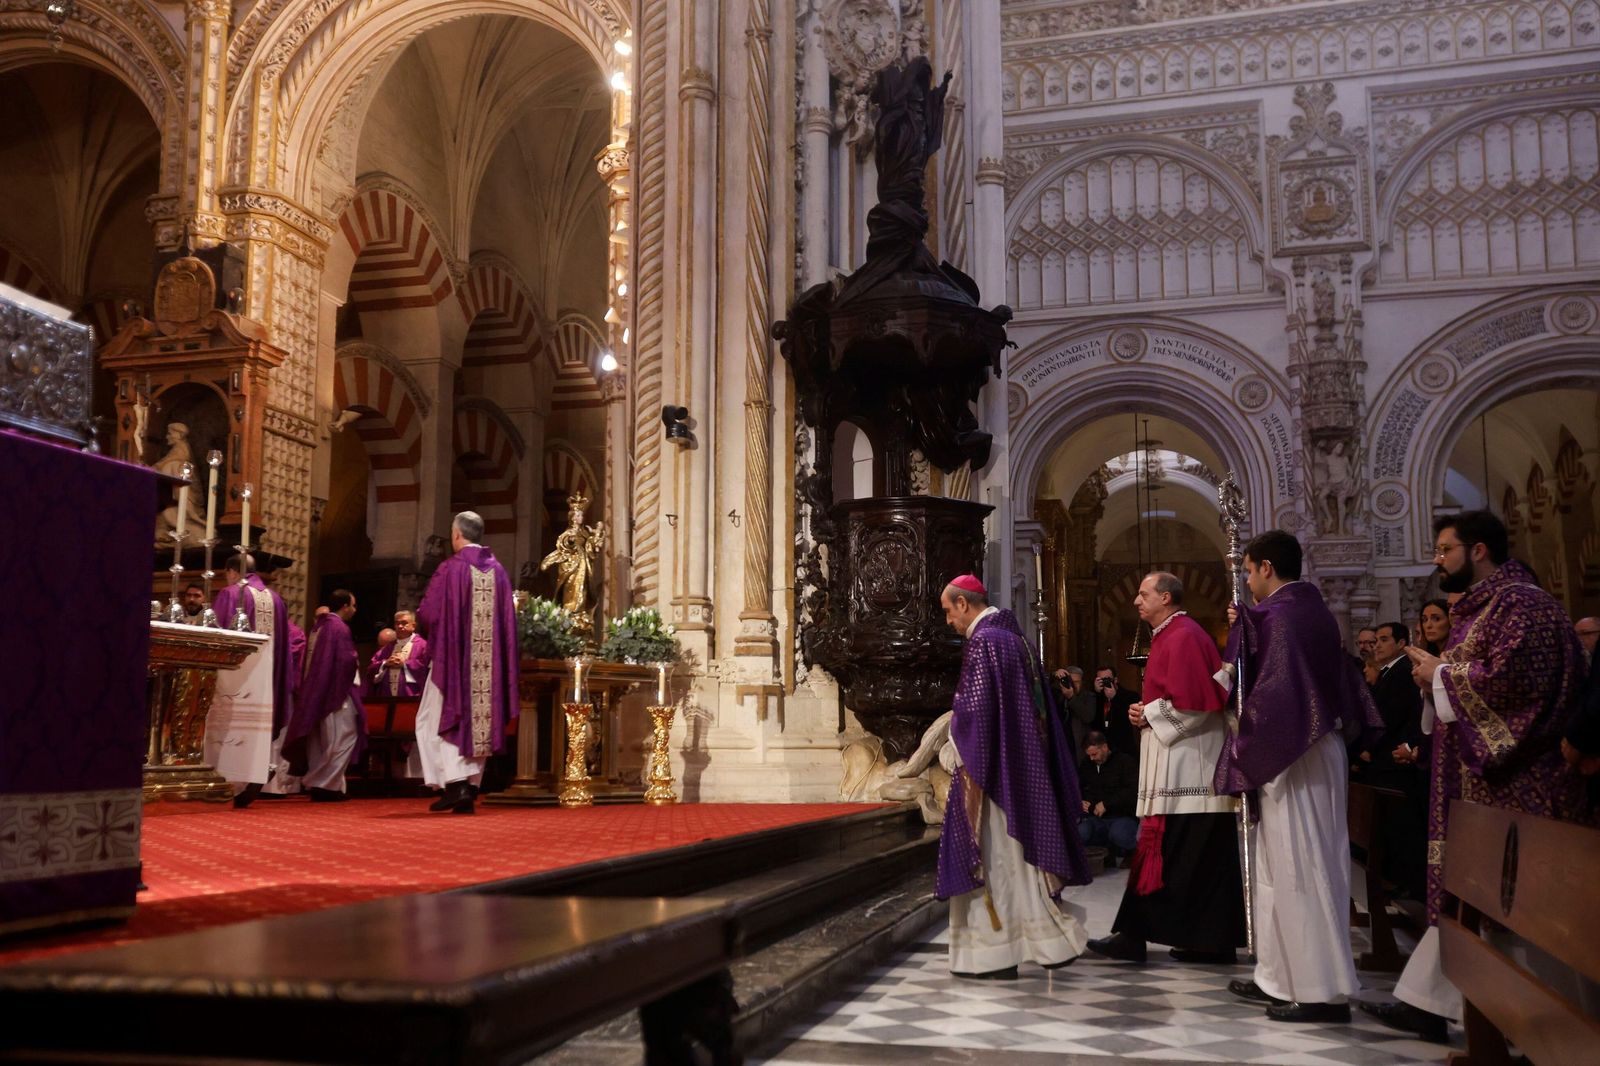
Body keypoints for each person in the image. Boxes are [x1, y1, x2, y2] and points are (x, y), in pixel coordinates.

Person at [1364, 511, 1587, 1043]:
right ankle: (1447, 1004)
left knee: (1527, 913)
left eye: (1445, 550)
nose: (1438, 560)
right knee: (1479, 903)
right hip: (1483, 789)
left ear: (1479, 549)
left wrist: (1439, 674)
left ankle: (1557, 1028)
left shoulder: (1524, 606)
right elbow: (1470, 683)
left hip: (1521, 788)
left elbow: (1515, 686)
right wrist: (1433, 679)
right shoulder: (1486, 608)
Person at [1215, 530, 1383, 1024]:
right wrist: (1245, 630)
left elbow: (1275, 695)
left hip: (1294, 751)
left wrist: (1245, 751)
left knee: (1301, 866)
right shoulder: (1307, 610)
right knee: (1278, 868)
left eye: (1247, 572)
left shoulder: (1282, 616)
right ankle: (1280, 975)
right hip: (1305, 748)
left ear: (1267, 567)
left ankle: (1318, 991)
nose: (1245, 582)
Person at [936, 574, 1093, 979]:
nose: (948, 621)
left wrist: (957, 740)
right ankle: (1046, 941)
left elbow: (976, 710)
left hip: (992, 770)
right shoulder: (1016, 639)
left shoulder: (985, 641)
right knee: (1017, 860)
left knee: (995, 860)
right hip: (1019, 764)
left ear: (963, 604)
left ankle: (995, 955)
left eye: (948, 611)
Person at [1088, 572, 1243, 967]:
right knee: (1189, 857)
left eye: (1144, 594)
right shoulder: (1170, 635)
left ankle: (1144, 936)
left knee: (1187, 855)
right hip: (1180, 766)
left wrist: (1149, 712)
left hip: (1191, 769)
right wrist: (1146, 710)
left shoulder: (1185, 634)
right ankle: (1204, 940)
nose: (1137, 601)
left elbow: (1198, 703)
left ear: (1167, 597)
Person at [413, 511, 520, 815]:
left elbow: (429, 614)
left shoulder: (451, 568)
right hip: (487, 666)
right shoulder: (499, 572)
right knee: (480, 719)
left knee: (434, 719)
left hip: (452, 660)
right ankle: (469, 787)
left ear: (457, 535)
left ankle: (455, 783)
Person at [211, 555, 297, 808]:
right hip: (267, 679)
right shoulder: (276, 600)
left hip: (234, 679)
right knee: (257, 726)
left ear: (231, 571)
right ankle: (252, 775)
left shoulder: (230, 594)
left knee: (228, 725)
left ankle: (226, 782)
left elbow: (217, 636)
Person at [1356, 621, 1428, 901]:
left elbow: (1390, 716)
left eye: (1384, 639)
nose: (1377, 645)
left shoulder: (1400, 672)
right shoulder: (1388, 673)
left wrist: (1370, 749)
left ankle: (1409, 883)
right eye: (1377, 640)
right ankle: (1395, 878)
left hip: (1392, 761)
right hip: (1384, 761)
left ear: (1401, 643)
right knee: (1389, 826)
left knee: (1402, 827)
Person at [284, 589, 366, 802]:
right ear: (345, 606)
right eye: (353, 605)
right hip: (335, 693)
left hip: (316, 691)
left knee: (321, 742)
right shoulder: (338, 627)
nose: (354, 610)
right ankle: (325, 785)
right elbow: (345, 662)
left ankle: (325, 784)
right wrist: (355, 659)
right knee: (342, 739)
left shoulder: (319, 626)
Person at [1076, 729, 1138, 859]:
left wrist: (1107, 804)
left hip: (1121, 816)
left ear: (1104, 747)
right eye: (1089, 755)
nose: (1092, 758)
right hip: (1096, 818)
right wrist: (1082, 801)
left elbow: (1133, 791)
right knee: (1082, 832)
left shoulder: (1124, 762)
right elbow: (1081, 787)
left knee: (1119, 834)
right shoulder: (1087, 765)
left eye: (1094, 754)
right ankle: (1107, 853)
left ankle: (1130, 853)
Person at [368, 610, 430, 698]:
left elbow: (427, 668)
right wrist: (385, 663)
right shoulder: (388, 647)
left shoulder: (423, 646)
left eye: (404, 623)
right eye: (397, 623)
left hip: (412, 696)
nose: (400, 626)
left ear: (413, 626)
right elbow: (371, 668)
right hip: (387, 697)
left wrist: (405, 664)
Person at [1091, 665, 1138, 755]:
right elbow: (1091, 719)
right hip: (1102, 751)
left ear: (1115, 680)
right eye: (1101, 680)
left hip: (1123, 750)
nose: (1104, 682)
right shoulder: (1096, 698)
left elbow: (1127, 719)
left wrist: (1114, 697)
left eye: (1107, 679)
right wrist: (1096, 693)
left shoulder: (1130, 696)